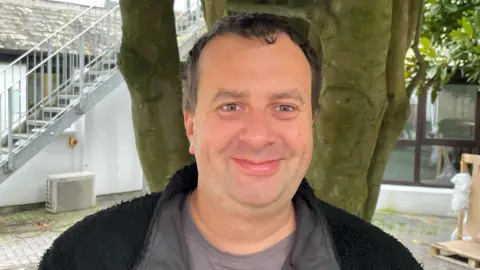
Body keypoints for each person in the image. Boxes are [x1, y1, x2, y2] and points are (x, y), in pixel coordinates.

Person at [39, 13, 422, 270]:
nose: (257, 135)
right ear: (191, 126)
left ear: (311, 125)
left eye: (285, 107)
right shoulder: (84, 257)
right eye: (231, 105)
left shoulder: (385, 262)